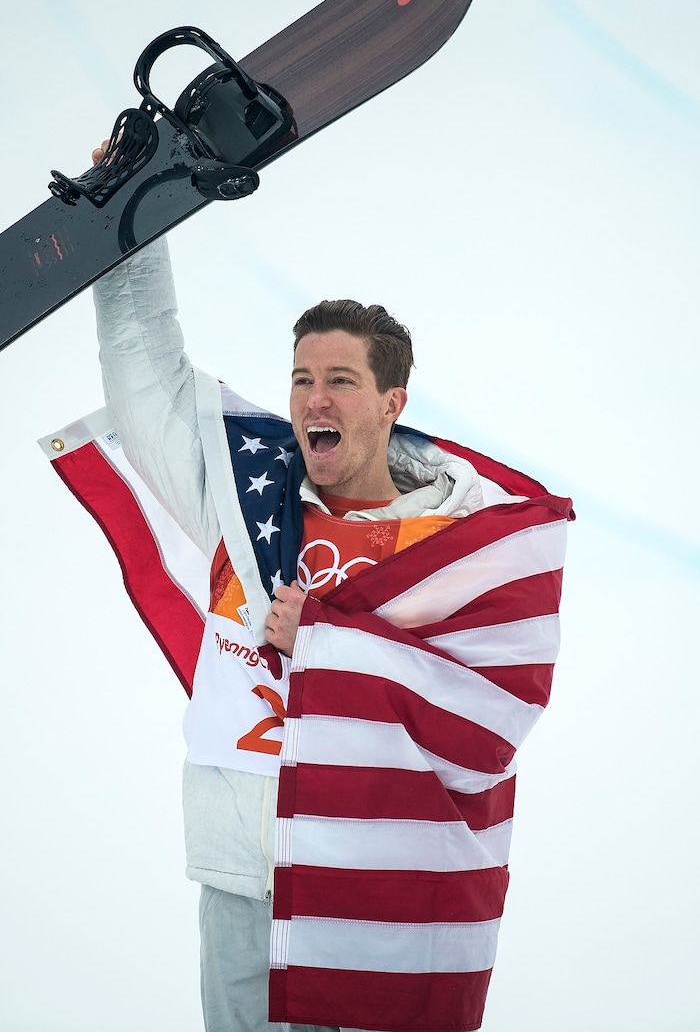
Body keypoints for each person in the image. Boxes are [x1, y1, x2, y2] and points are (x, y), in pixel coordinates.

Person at [49, 143, 571, 1032]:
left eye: (339, 380)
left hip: (378, 889)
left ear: (391, 401)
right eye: (301, 378)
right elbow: (146, 374)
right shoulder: (243, 500)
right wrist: (126, 224)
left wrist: (327, 642)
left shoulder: (460, 543)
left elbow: (490, 722)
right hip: (244, 878)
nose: (313, 399)